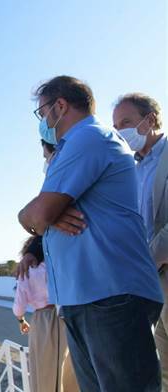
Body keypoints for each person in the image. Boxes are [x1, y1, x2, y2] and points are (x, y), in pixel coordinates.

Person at [18, 75, 163, 391]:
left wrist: (41, 215)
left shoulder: (89, 138)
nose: (43, 122)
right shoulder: (70, 147)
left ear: (60, 105)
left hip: (109, 294)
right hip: (85, 295)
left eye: (42, 113)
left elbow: (39, 213)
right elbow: (37, 215)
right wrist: (38, 216)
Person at [113, 93, 168, 389]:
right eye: (116, 125)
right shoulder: (130, 171)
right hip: (149, 285)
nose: (120, 131)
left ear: (151, 120)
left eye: (126, 122)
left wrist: (145, 258)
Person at [13, 236, 78, 392]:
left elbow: (18, 308)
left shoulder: (27, 271)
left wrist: (21, 320)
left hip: (42, 320)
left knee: (44, 369)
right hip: (66, 316)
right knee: (69, 367)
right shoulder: (58, 264)